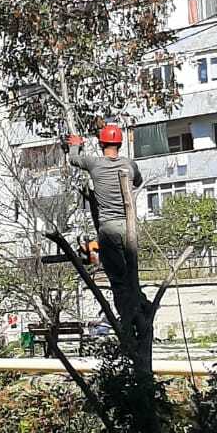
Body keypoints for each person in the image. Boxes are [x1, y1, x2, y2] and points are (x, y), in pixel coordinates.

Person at [67, 123, 143, 324]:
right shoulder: (129, 164)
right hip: (129, 228)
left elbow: (73, 159)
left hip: (108, 228)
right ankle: (139, 308)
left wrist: (75, 144)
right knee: (132, 275)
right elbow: (138, 182)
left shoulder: (94, 164)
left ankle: (127, 320)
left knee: (117, 278)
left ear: (101, 144)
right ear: (120, 144)